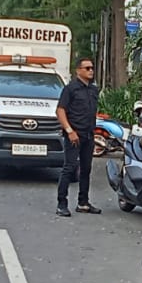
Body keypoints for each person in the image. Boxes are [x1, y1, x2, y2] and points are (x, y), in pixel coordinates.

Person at [55, 57, 101, 217]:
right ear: (78, 71)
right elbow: (60, 111)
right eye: (87, 68)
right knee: (69, 168)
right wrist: (69, 130)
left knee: (86, 169)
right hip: (74, 134)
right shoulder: (70, 89)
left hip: (88, 135)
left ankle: (83, 202)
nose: (90, 71)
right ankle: (62, 203)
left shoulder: (93, 90)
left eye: (92, 68)